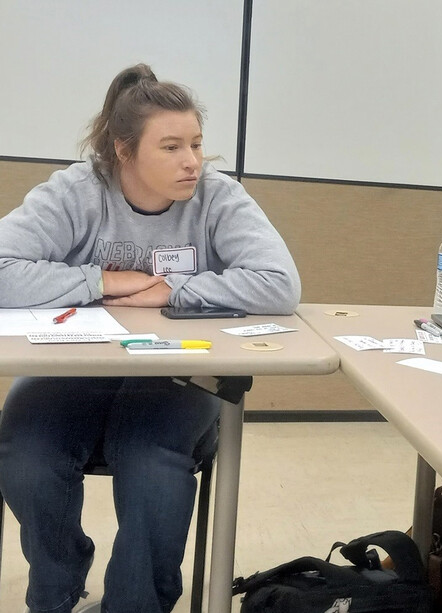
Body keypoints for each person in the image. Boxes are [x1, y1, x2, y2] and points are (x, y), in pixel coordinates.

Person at [0, 64, 302, 612]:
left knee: (148, 458)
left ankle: (136, 605)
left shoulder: (217, 196)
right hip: (74, 367)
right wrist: (99, 280)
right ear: (123, 149)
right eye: (170, 147)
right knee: (26, 454)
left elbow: (279, 284)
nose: (192, 161)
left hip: (176, 372)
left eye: (196, 143)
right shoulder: (77, 190)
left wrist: (175, 291)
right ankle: (59, 585)